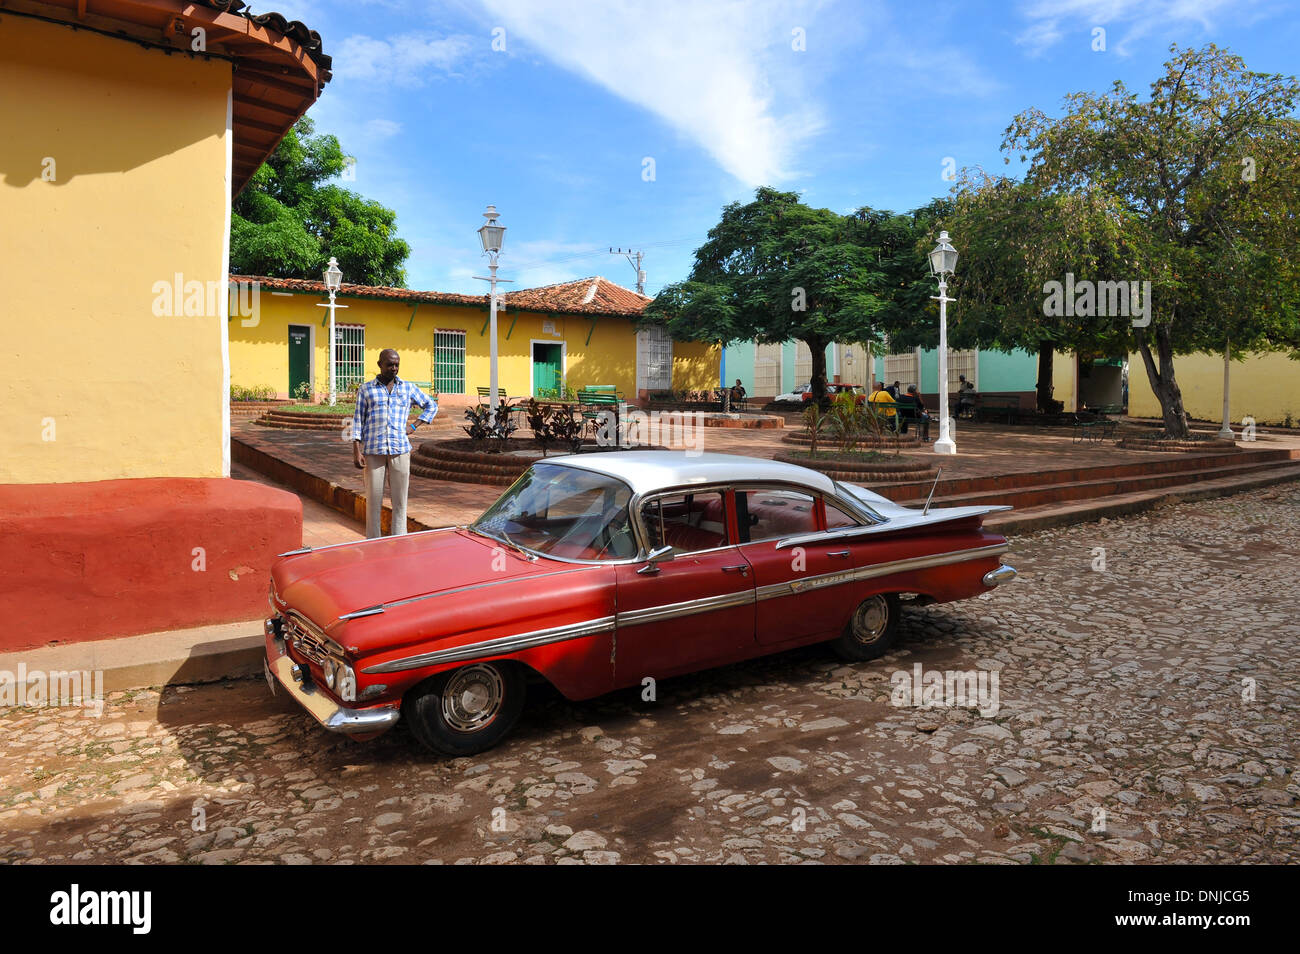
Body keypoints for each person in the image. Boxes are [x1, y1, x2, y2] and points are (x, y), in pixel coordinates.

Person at [352, 349, 438, 538]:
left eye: (397, 364)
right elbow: (358, 419)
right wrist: (356, 450)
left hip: (400, 449)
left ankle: (399, 539)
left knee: (400, 501)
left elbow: (431, 405)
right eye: (390, 364)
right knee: (374, 500)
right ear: (380, 364)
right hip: (374, 450)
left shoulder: (407, 388)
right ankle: (373, 541)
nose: (394, 368)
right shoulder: (366, 389)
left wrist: (414, 426)